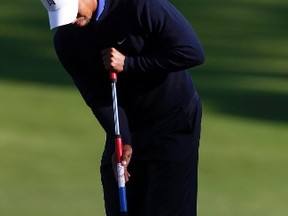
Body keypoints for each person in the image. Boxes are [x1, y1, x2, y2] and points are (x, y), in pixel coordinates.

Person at [40, 0, 205, 215]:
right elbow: (97, 97)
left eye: (72, 12)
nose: (71, 21)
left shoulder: (140, 5)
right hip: (126, 125)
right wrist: (123, 138)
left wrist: (129, 64)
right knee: (118, 198)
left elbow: (192, 52)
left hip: (172, 121)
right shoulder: (66, 39)